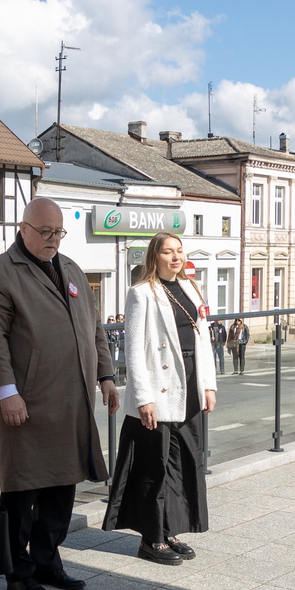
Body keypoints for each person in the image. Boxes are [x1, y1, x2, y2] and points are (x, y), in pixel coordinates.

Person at [0, 198, 118, 590]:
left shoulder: (71, 268)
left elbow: (95, 328)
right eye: (45, 232)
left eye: (59, 232)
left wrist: (106, 375)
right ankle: (18, 572)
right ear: (23, 228)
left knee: (62, 489)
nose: (53, 240)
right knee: (22, 493)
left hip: (72, 400)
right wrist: (7, 392)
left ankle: (47, 561)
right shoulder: (0, 276)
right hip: (28, 403)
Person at [105, 235, 218, 563]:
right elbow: (135, 349)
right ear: (155, 257)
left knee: (182, 464)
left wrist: (208, 385)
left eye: (179, 251)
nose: (175, 257)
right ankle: (151, 539)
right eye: (168, 252)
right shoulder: (141, 293)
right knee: (155, 468)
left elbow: (203, 341)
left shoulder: (192, 289)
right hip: (159, 389)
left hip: (189, 387)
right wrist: (143, 398)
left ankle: (171, 531)